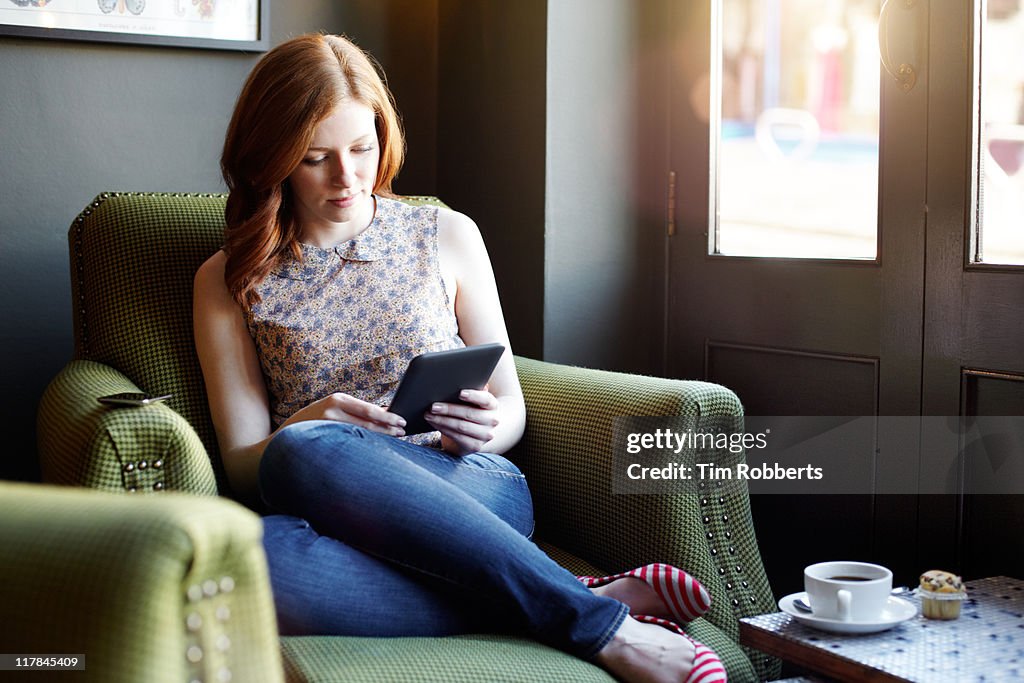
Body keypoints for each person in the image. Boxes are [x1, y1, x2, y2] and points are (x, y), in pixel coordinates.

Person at [193, 32, 727, 683]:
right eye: (315, 158)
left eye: (363, 149)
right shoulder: (229, 277)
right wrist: (313, 420)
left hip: (469, 487)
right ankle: (573, 594)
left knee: (304, 455)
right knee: (260, 534)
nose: (348, 177)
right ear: (273, 158)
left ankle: (602, 629)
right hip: (326, 508)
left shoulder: (445, 232)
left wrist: (486, 425)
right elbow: (247, 464)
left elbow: (511, 407)